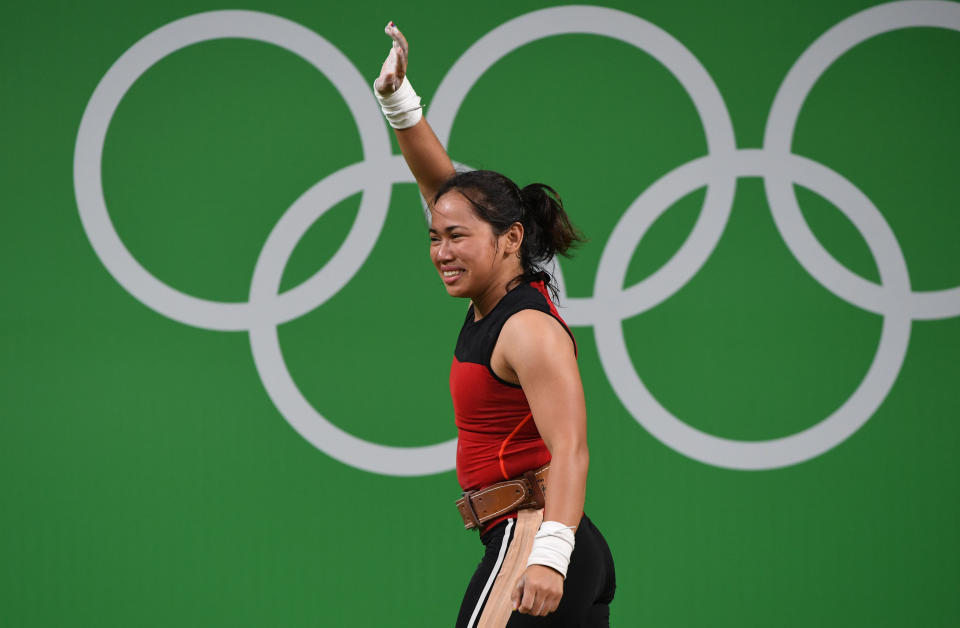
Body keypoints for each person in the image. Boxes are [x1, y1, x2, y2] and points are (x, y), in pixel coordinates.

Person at [372, 22, 616, 627]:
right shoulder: (496, 299)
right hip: (545, 541)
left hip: (536, 539)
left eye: (457, 237)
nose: (442, 250)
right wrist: (399, 102)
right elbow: (442, 187)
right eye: (434, 237)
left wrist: (549, 557)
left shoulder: (526, 329)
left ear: (511, 239)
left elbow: (571, 449)